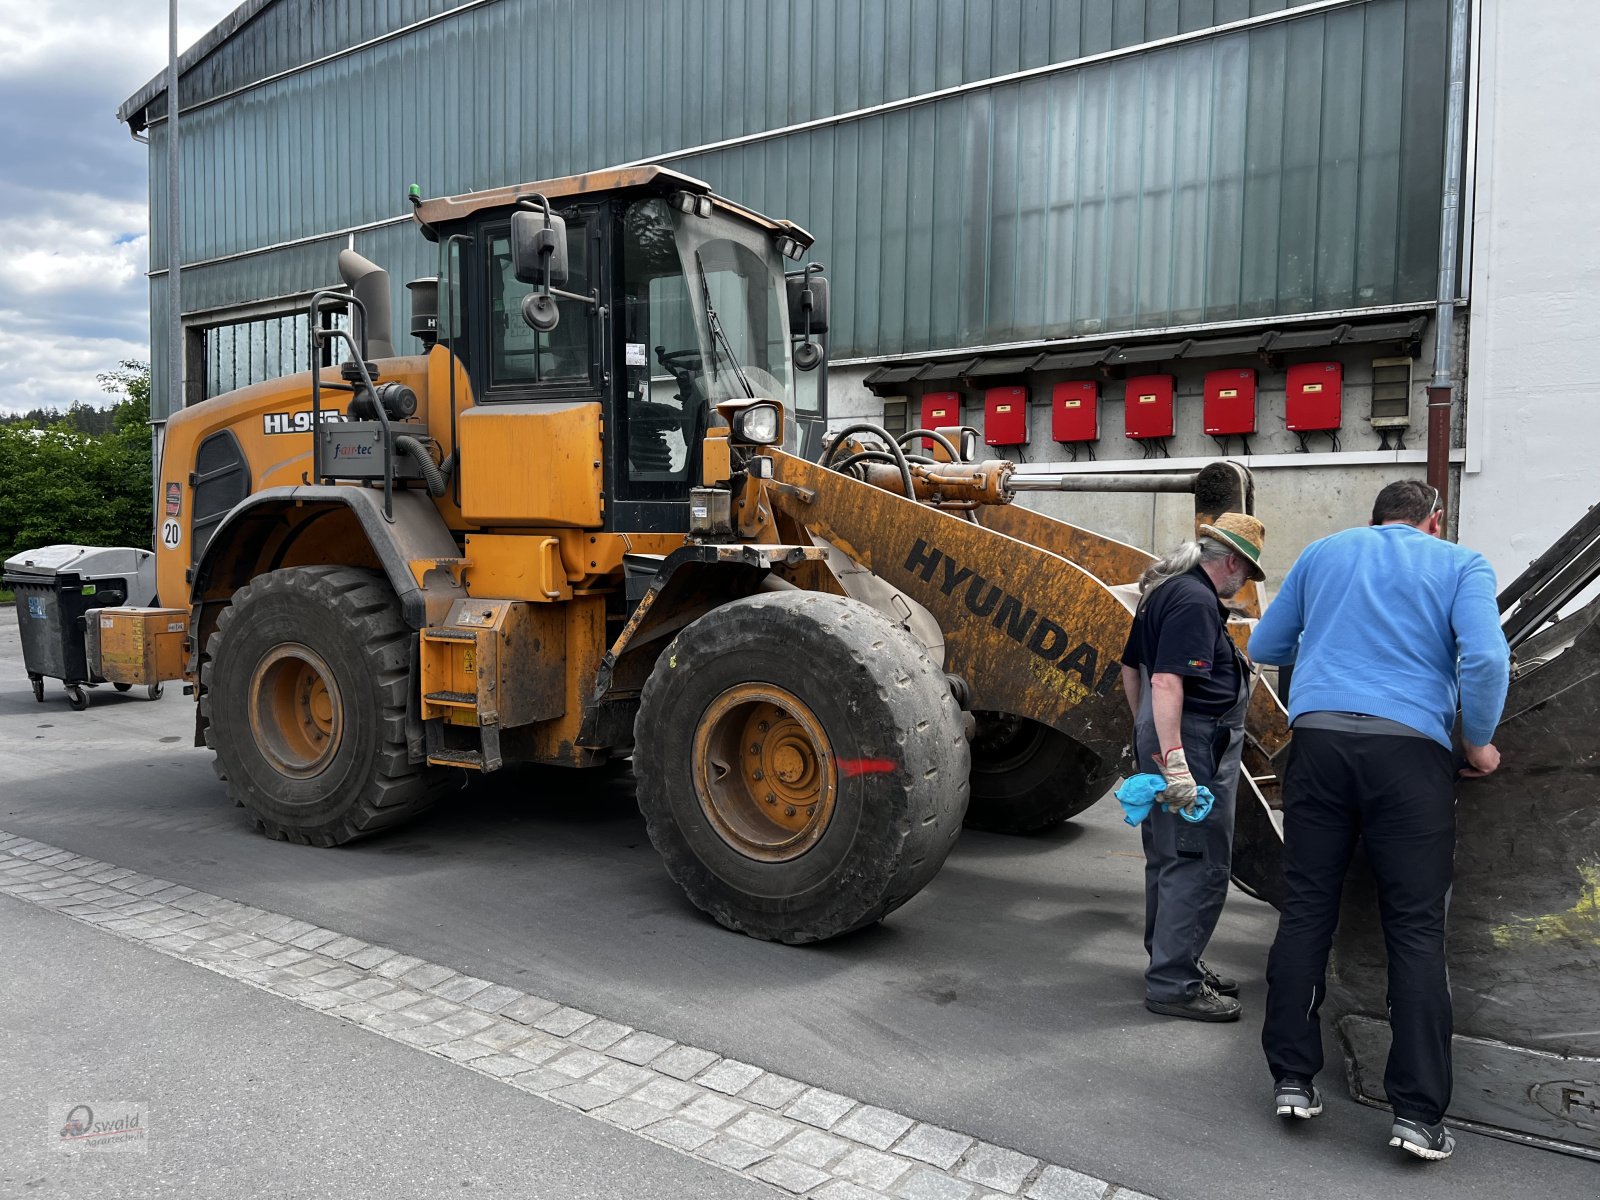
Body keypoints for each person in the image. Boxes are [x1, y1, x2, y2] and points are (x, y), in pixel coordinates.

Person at [1249, 480, 1509, 1162]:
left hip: (1319, 743)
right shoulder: (1461, 563)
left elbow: (1269, 642)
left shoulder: (1325, 551)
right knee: (1416, 928)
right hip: (1410, 752)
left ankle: (1293, 1079)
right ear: (1434, 518)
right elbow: (1483, 657)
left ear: (1372, 518)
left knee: (1306, 908)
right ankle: (1418, 1116)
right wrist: (1478, 739)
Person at [1120, 512, 1267, 1023]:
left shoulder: (1163, 592)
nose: (1244, 583)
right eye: (1247, 573)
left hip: (1167, 735)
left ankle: (1171, 959)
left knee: (1167, 857)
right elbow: (1166, 682)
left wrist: (1146, 738)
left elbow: (1131, 670)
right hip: (1194, 741)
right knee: (1196, 859)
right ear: (1231, 561)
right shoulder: (1195, 601)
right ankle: (1174, 984)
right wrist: (1178, 762)